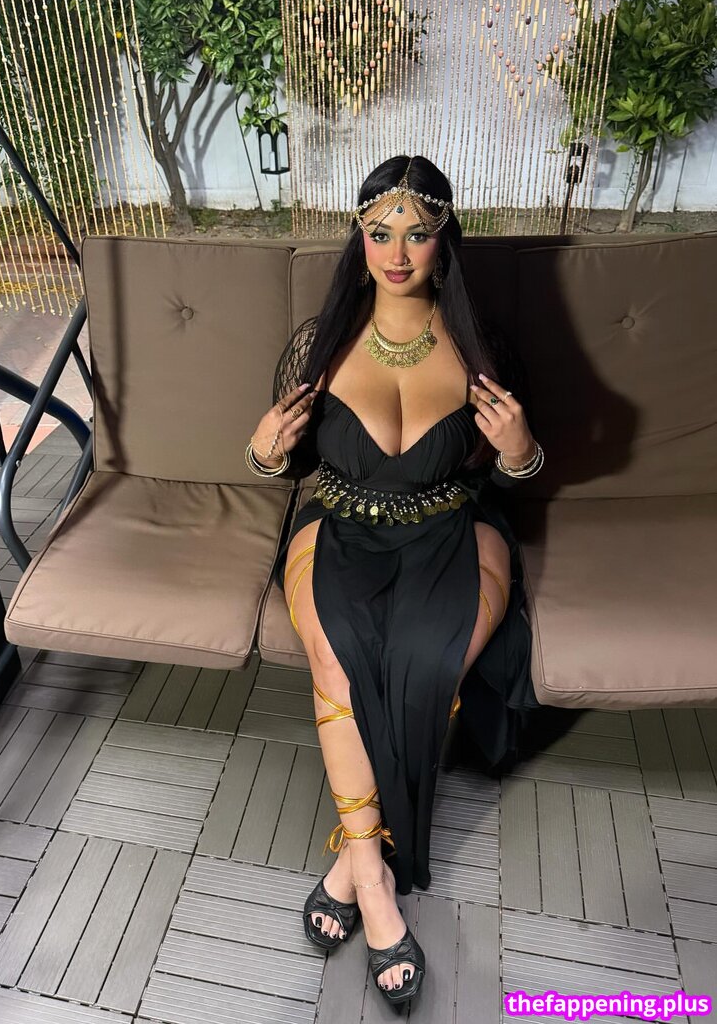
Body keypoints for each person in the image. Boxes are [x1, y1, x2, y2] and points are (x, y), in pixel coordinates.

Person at [244, 154, 543, 1007]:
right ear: (360, 239)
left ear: (445, 241)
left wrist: (521, 451)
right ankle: (376, 881)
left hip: (451, 523)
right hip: (337, 523)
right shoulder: (321, 345)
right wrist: (263, 450)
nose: (398, 253)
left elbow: (516, 471)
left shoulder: (483, 350)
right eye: (380, 233)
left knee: (429, 659)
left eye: (417, 234)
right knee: (339, 660)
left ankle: (348, 859)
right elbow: (279, 461)